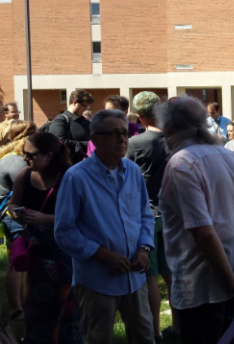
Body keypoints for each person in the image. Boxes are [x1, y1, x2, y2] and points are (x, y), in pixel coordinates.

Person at [158, 96, 234, 344]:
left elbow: (203, 233)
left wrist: (231, 280)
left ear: (169, 128)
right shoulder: (228, 156)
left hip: (200, 288)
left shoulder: (180, 164)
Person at [55, 109, 154, 344]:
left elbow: (145, 216)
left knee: (144, 336)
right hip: (97, 279)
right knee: (99, 338)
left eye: (125, 133)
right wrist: (101, 254)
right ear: (95, 139)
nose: (122, 139)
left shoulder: (133, 171)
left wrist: (144, 248)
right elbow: (64, 231)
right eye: (114, 134)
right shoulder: (76, 177)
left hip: (134, 276)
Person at [9, 132, 80, 344]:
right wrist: (16, 212)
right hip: (37, 253)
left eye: (30, 155)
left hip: (65, 252)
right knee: (37, 306)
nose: (25, 158)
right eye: (24, 154)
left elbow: (81, 216)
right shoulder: (24, 175)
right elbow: (13, 203)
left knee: (66, 305)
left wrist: (45, 218)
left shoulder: (70, 177)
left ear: (49, 156)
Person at [125, 91, 176, 343]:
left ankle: (155, 331)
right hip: (173, 215)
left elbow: (124, 177)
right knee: (172, 275)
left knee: (150, 278)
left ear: (140, 116)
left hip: (147, 216)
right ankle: (178, 326)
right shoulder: (173, 141)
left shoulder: (134, 143)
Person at [0, 120, 35, 322]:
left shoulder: (8, 157)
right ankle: (16, 308)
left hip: (11, 215)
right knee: (16, 261)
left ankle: (21, 303)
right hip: (13, 216)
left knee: (20, 261)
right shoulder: (16, 162)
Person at [49, 89, 94, 164]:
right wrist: (87, 143)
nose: (86, 109)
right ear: (74, 102)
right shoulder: (61, 119)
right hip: (69, 165)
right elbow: (59, 142)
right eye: (84, 105)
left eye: (88, 106)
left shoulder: (85, 121)